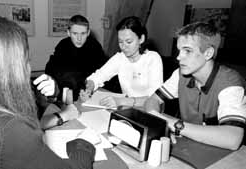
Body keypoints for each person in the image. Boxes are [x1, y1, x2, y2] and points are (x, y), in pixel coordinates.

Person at [0, 15, 95, 169]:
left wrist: (59, 106)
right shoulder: (12, 133)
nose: (29, 67)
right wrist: (84, 144)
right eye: (26, 60)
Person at [144, 22, 246, 150]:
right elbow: (152, 100)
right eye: (179, 50)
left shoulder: (230, 83)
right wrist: (161, 124)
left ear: (208, 53)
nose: (178, 57)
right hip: (188, 145)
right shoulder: (180, 74)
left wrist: (173, 124)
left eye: (187, 51)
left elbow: (233, 139)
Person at [80, 16, 163, 109]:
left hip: (149, 110)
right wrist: (89, 88)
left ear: (141, 39)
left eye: (129, 41)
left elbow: (155, 98)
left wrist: (121, 101)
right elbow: (99, 76)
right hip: (128, 108)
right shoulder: (120, 58)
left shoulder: (152, 58)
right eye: (120, 42)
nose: (124, 47)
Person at [45, 14, 107, 101]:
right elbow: (50, 69)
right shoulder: (62, 45)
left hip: (89, 92)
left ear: (88, 32)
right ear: (68, 33)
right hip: (66, 93)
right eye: (75, 33)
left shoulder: (95, 46)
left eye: (83, 33)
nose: (79, 38)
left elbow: (103, 71)